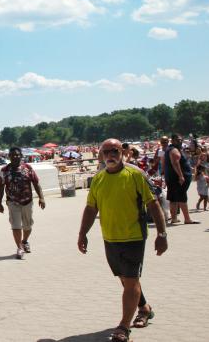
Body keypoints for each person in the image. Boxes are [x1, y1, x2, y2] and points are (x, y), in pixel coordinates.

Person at [78, 138, 168, 342]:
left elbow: (153, 205)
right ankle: (144, 308)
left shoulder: (135, 174)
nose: (111, 155)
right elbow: (91, 208)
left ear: (122, 153)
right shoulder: (98, 179)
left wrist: (161, 234)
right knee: (126, 279)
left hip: (134, 236)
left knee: (130, 279)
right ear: (100, 154)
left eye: (115, 151)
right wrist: (82, 233)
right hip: (110, 238)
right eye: (106, 151)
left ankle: (123, 328)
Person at [0, 146, 46, 259]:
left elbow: (36, 183)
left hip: (27, 201)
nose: (16, 157)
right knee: (16, 225)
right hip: (12, 202)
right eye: (13, 155)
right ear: (9, 157)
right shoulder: (4, 171)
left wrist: (41, 198)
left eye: (18, 155)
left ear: (21, 156)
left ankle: (24, 241)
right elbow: (0, 187)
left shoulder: (27, 168)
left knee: (28, 226)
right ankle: (19, 247)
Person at [164, 133, 197, 224]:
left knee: (173, 198)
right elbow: (175, 163)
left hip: (171, 177)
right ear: (173, 140)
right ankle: (187, 218)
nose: (180, 141)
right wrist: (181, 176)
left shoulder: (170, 149)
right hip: (176, 178)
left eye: (181, 139)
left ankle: (174, 218)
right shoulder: (174, 150)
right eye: (178, 140)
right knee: (182, 196)